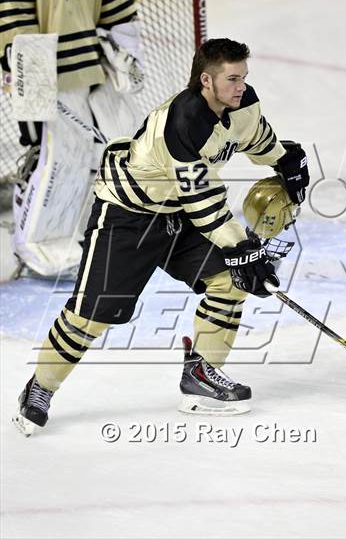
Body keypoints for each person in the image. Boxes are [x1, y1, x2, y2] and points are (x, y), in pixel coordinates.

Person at [13, 38, 310, 434]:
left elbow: (254, 137)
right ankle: (40, 387)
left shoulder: (242, 102)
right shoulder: (183, 122)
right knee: (91, 315)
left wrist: (285, 159)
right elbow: (205, 204)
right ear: (207, 80)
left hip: (179, 214)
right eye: (232, 78)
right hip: (129, 216)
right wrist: (242, 247)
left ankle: (202, 375)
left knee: (228, 281)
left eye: (244, 77)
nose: (241, 86)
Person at [0, 0, 144, 278]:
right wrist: (31, 88)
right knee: (62, 157)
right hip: (49, 68)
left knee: (108, 147)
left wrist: (126, 52)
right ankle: (39, 244)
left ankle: (86, 231)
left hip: (94, 61)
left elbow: (115, 0)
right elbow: (14, 11)